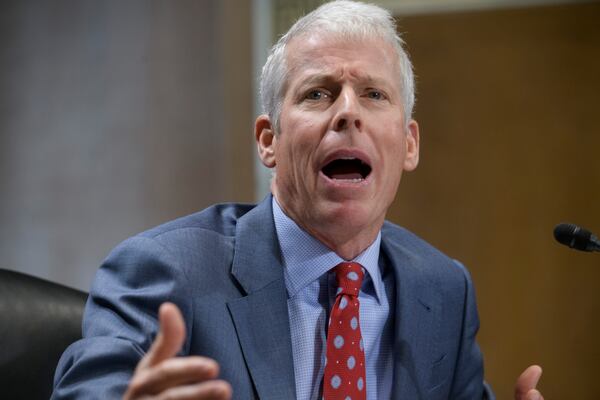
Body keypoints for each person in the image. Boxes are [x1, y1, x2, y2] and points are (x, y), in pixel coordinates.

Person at [52, 1, 544, 399]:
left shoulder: (443, 290)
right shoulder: (165, 270)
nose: (348, 112)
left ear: (409, 144)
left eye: (374, 94)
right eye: (318, 94)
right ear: (269, 140)